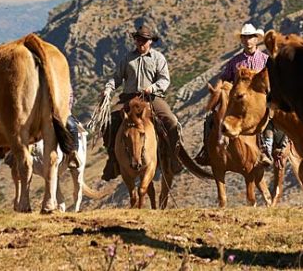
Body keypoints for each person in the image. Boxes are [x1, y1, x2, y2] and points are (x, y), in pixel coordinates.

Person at [197, 23, 287, 167]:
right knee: (211, 117)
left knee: (275, 116)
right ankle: (207, 151)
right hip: (238, 101)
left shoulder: (265, 60)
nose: (248, 40)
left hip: (259, 99)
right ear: (242, 40)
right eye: (245, 37)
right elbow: (225, 77)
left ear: (256, 39)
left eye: (251, 37)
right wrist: (217, 89)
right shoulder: (235, 61)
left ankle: (275, 149)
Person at [101, 25, 183, 181]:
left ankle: (174, 157)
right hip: (129, 98)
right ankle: (112, 160)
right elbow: (117, 77)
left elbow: (165, 79)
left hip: (151, 98)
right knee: (109, 122)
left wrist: (153, 87)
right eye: (138, 39)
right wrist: (108, 88)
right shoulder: (127, 58)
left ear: (150, 41)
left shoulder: (158, 58)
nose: (141, 43)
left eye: (144, 40)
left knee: (171, 121)